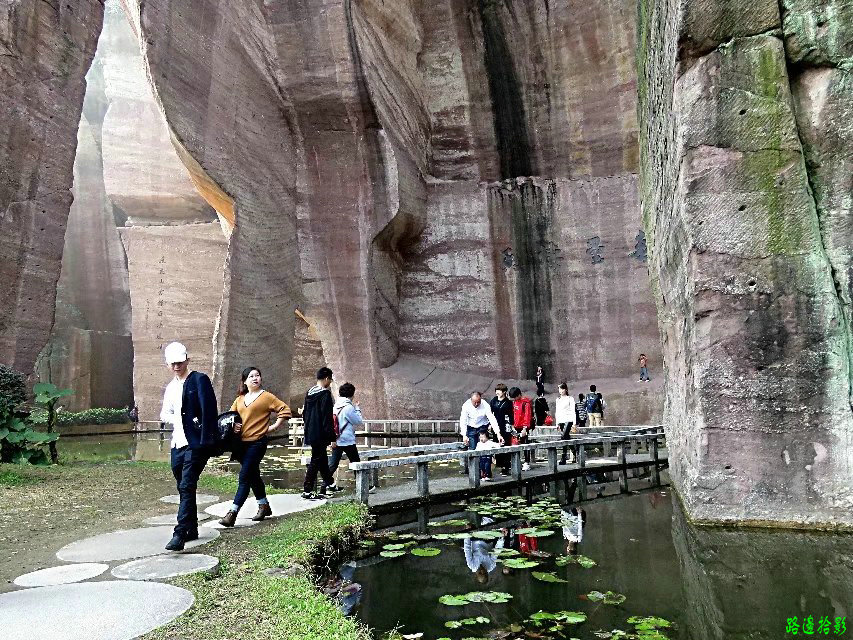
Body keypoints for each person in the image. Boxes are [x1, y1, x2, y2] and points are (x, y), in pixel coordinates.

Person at [159, 341, 219, 551]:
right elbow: (164, 413)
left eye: (180, 362)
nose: (177, 366)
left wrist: (206, 441)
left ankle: (180, 533)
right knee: (183, 486)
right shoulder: (171, 387)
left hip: (195, 442)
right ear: (168, 364)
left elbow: (209, 411)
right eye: (173, 363)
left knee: (186, 485)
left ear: (187, 360)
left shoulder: (199, 380)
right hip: (178, 442)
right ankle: (192, 528)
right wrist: (179, 419)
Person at [218, 367, 291, 527]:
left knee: (244, 476)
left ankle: (232, 513)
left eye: (257, 375)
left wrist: (274, 426)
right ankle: (264, 506)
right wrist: (234, 425)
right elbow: (229, 418)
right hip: (240, 445)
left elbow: (284, 409)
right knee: (253, 476)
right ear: (245, 381)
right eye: (251, 376)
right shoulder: (239, 399)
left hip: (257, 443)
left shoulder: (266, 396)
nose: (255, 378)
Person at [301, 367, 343, 499]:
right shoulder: (325, 394)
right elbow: (327, 419)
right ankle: (307, 490)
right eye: (330, 380)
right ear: (326, 379)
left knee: (322, 459)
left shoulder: (309, 392)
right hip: (321, 433)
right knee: (316, 460)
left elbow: (305, 414)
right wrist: (332, 437)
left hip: (311, 431)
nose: (330, 383)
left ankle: (330, 484)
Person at [324, 382, 372, 493]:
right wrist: (357, 408)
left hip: (336, 439)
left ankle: (325, 486)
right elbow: (358, 421)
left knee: (333, 464)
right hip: (347, 440)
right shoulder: (348, 407)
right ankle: (364, 486)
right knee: (356, 463)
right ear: (352, 395)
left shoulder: (335, 406)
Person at [459, 391, 502, 473]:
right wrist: (464, 435)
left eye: (478, 402)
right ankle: (474, 471)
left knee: (484, 447)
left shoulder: (485, 405)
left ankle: (484, 470)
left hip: (482, 426)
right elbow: (463, 420)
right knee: (473, 448)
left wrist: (498, 434)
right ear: (471, 400)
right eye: (474, 402)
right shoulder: (466, 405)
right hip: (471, 426)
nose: (476, 404)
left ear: (481, 400)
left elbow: (492, 418)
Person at [489, 383, 514, 475]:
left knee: (506, 444)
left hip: (505, 426)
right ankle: (499, 464)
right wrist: (490, 424)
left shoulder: (508, 402)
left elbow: (511, 415)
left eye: (499, 391)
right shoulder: (494, 401)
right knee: (496, 443)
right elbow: (490, 413)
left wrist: (511, 426)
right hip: (496, 425)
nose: (497, 392)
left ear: (504, 392)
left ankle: (506, 466)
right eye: (496, 390)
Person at [509, 387, 533, 470]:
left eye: (515, 397)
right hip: (515, 426)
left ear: (519, 395)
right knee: (515, 444)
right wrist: (512, 425)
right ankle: (516, 461)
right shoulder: (514, 402)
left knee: (525, 444)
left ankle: (527, 462)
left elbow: (527, 416)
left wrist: (525, 428)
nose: (514, 399)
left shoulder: (526, 403)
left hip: (523, 427)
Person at [555, 383, 576, 464]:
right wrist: (557, 423)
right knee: (566, 437)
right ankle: (575, 452)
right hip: (561, 420)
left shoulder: (570, 398)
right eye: (559, 389)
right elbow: (557, 411)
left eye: (562, 389)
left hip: (568, 419)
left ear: (566, 389)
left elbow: (573, 411)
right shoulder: (558, 399)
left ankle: (564, 456)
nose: (561, 391)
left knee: (563, 436)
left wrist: (574, 423)